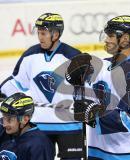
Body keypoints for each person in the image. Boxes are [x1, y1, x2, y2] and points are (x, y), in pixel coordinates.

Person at [66, 15, 130, 159]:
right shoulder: (99, 66)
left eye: (110, 35)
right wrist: (77, 83)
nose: (106, 39)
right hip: (100, 150)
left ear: (125, 38)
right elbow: (81, 107)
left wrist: (92, 112)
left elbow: (127, 120)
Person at [0, 13, 83, 159]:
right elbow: (16, 83)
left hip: (70, 125)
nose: (40, 37)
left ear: (55, 34)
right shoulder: (30, 55)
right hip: (40, 126)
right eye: (38, 33)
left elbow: (86, 88)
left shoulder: (74, 57)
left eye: (43, 33)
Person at [0, 92, 54, 160]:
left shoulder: (38, 145)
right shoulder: (4, 131)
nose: (4, 124)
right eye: (3, 117)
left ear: (25, 119)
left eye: (9, 119)